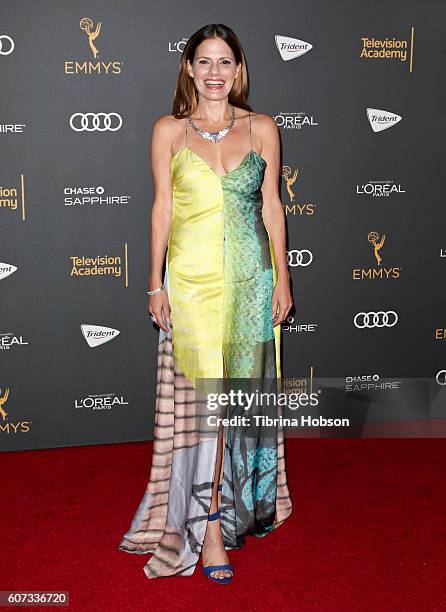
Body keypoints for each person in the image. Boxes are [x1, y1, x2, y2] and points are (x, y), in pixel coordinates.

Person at [117, 23, 293, 584]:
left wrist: (283, 279)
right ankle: (208, 529)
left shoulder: (262, 127)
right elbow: (161, 210)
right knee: (202, 415)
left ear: (238, 69)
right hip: (189, 288)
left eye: (225, 63)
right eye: (204, 62)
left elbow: (272, 208)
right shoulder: (168, 130)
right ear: (188, 68)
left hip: (248, 286)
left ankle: (228, 513)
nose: (215, 73)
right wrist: (154, 282)